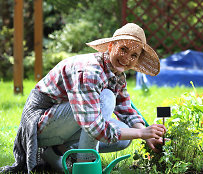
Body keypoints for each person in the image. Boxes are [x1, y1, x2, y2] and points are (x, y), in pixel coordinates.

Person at [1, 23, 166, 173]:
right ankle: (85, 165)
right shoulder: (90, 71)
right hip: (39, 123)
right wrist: (140, 132)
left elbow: (125, 108)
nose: (127, 58)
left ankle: (53, 154)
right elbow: (95, 127)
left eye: (134, 55)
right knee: (107, 98)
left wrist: (146, 134)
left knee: (124, 139)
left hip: (64, 121)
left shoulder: (117, 74)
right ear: (110, 46)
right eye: (123, 49)